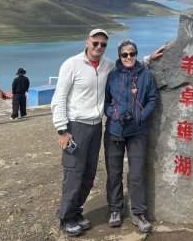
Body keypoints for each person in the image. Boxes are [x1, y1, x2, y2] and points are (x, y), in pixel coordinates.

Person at [51, 29, 165, 237]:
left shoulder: (107, 66)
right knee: (75, 172)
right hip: (78, 125)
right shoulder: (72, 64)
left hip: (97, 126)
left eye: (103, 44)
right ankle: (66, 217)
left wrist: (149, 58)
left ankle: (76, 213)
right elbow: (59, 99)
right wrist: (62, 129)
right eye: (95, 43)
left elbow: (134, 71)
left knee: (89, 173)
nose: (98, 47)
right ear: (87, 42)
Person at [104, 39, 158, 233]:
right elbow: (106, 102)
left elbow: (152, 99)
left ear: (136, 54)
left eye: (132, 53)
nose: (128, 57)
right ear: (119, 56)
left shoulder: (145, 75)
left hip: (137, 132)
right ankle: (115, 209)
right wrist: (114, 114)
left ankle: (138, 213)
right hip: (114, 131)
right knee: (114, 173)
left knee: (136, 174)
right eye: (124, 54)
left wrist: (140, 116)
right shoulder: (112, 76)